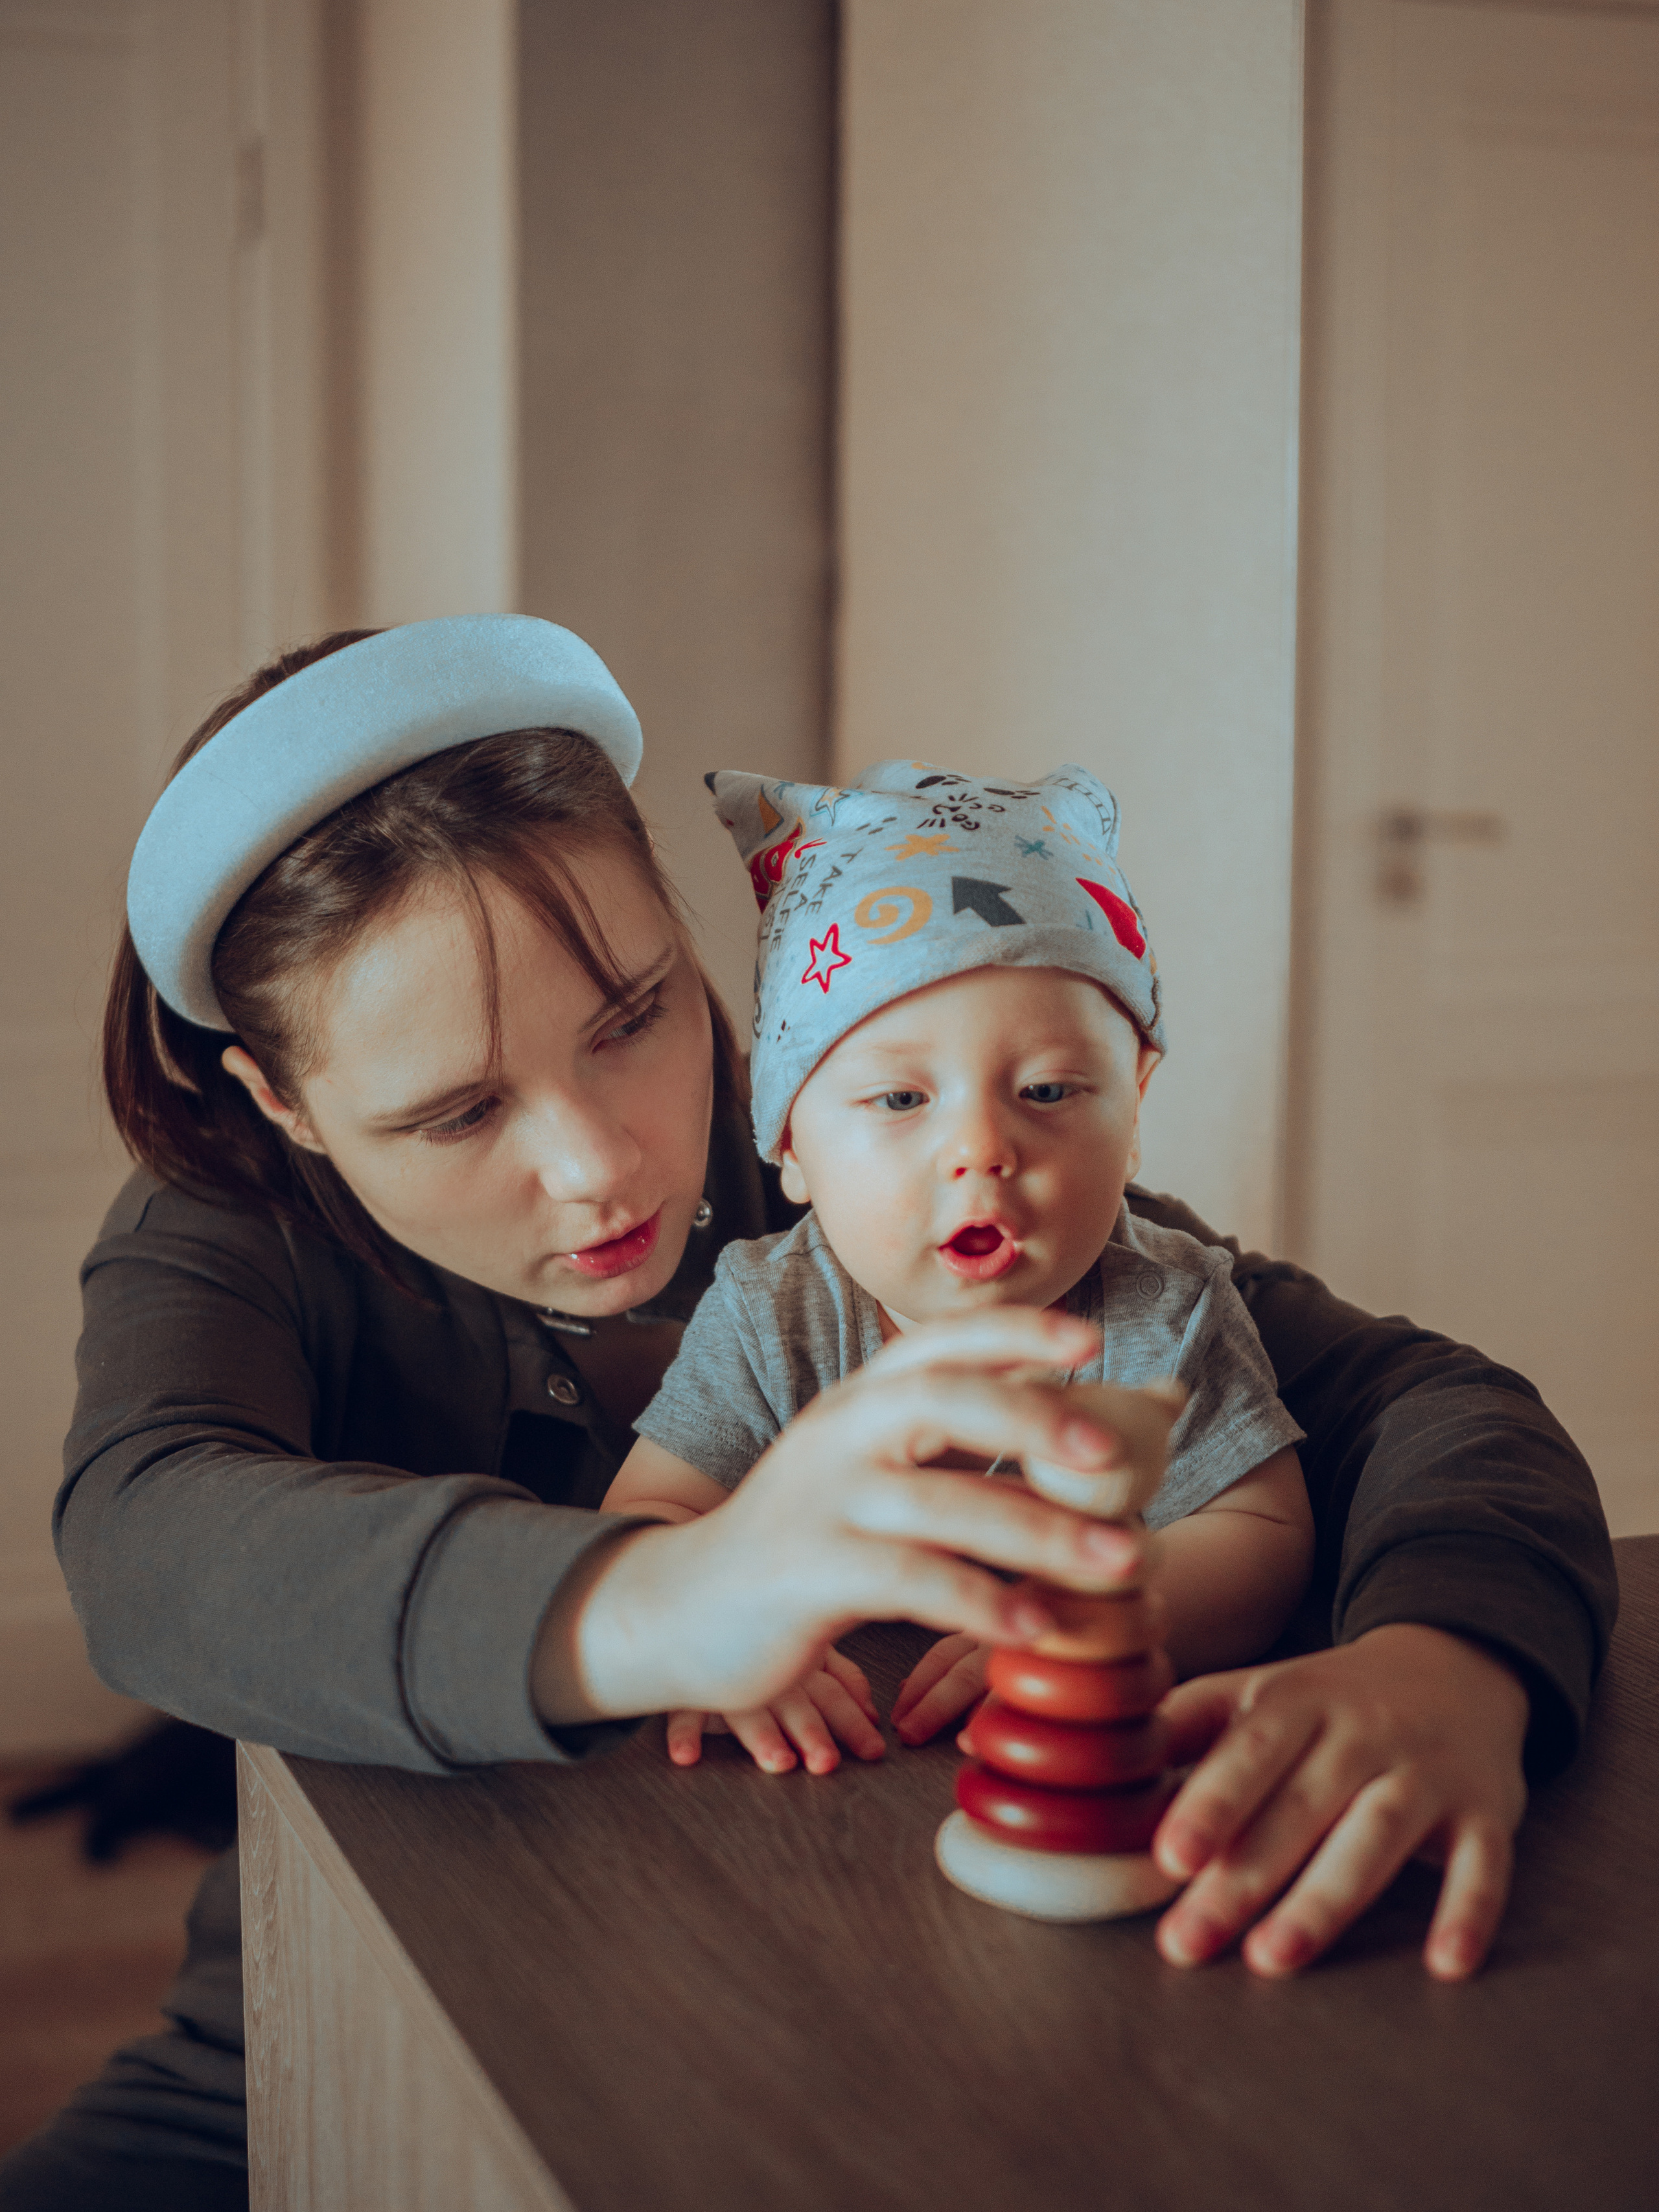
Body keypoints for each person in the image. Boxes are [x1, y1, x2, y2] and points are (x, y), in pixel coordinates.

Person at [0, 618, 1615, 2212]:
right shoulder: (228, 1227)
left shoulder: (871, 1146)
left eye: (633, 1016)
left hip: (848, 2026)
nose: (600, 1164)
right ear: (282, 1102)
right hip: (326, 2035)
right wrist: (665, 1595)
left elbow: (1427, 1403)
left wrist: (1449, 1661)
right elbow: (150, 1543)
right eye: (458, 1112)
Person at [605, 760, 1314, 1774]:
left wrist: (1091, 1616)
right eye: (902, 1100)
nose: (981, 1149)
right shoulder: (773, 1313)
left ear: (1136, 1111)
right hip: (841, 1763)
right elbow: (650, 1518)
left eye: (1049, 1090)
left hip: (1066, 1754)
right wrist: (705, 1636)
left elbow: (1261, 1532)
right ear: (792, 1146)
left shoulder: (1167, 1311)